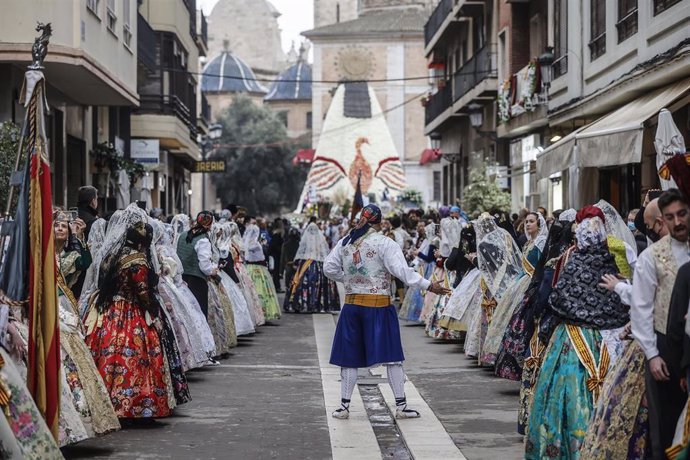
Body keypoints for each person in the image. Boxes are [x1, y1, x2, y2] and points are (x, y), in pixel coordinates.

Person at [324, 204, 451, 420]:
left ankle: (344, 407)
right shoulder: (385, 243)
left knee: (349, 358)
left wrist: (349, 279)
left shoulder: (344, 243)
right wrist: (429, 285)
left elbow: (329, 268)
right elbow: (402, 272)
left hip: (352, 305)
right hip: (378, 306)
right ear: (379, 222)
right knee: (392, 357)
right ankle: (401, 406)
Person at [525, 206, 630, 459]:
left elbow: (558, 300)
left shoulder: (574, 261)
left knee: (564, 395)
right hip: (610, 337)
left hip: (572, 338)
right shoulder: (614, 258)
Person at [85, 219, 173, 419]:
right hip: (130, 311)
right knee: (136, 356)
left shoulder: (115, 255)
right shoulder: (138, 261)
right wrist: (154, 311)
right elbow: (142, 291)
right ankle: (133, 405)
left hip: (109, 311)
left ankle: (106, 401)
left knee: (107, 353)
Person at [629, 189, 689, 459]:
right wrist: (652, 354)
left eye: (682, 214)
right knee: (666, 425)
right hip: (666, 347)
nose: (677, 222)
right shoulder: (651, 257)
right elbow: (641, 308)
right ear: (662, 221)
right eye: (670, 217)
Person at [284, 222, 340, 313]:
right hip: (318, 263)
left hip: (306, 263)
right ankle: (319, 304)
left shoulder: (306, 239)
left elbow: (301, 252)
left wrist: (297, 262)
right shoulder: (320, 239)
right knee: (319, 283)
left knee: (303, 282)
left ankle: (301, 304)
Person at [177, 211, 216, 318]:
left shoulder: (183, 235)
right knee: (199, 311)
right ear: (210, 224)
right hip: (197, 280)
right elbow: (205, 266)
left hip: (182, 279)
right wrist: (212, 270)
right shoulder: (203, 239)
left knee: (187, 311)